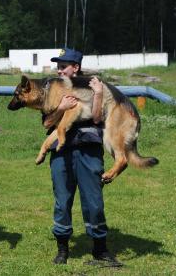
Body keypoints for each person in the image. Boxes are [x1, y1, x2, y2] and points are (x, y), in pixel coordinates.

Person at [43, 48, 122, 267]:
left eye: (63, 67)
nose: (59, 71)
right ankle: (62, 249)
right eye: (57, 67)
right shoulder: (54, 89)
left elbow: (97, 119)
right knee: (62, 201)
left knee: (94, 202)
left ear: (75, 67)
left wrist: (97, 94)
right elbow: (47, 123)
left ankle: (100, 250)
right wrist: (61, 107)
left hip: (89, 151)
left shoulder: (94, 87)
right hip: (61, 152)